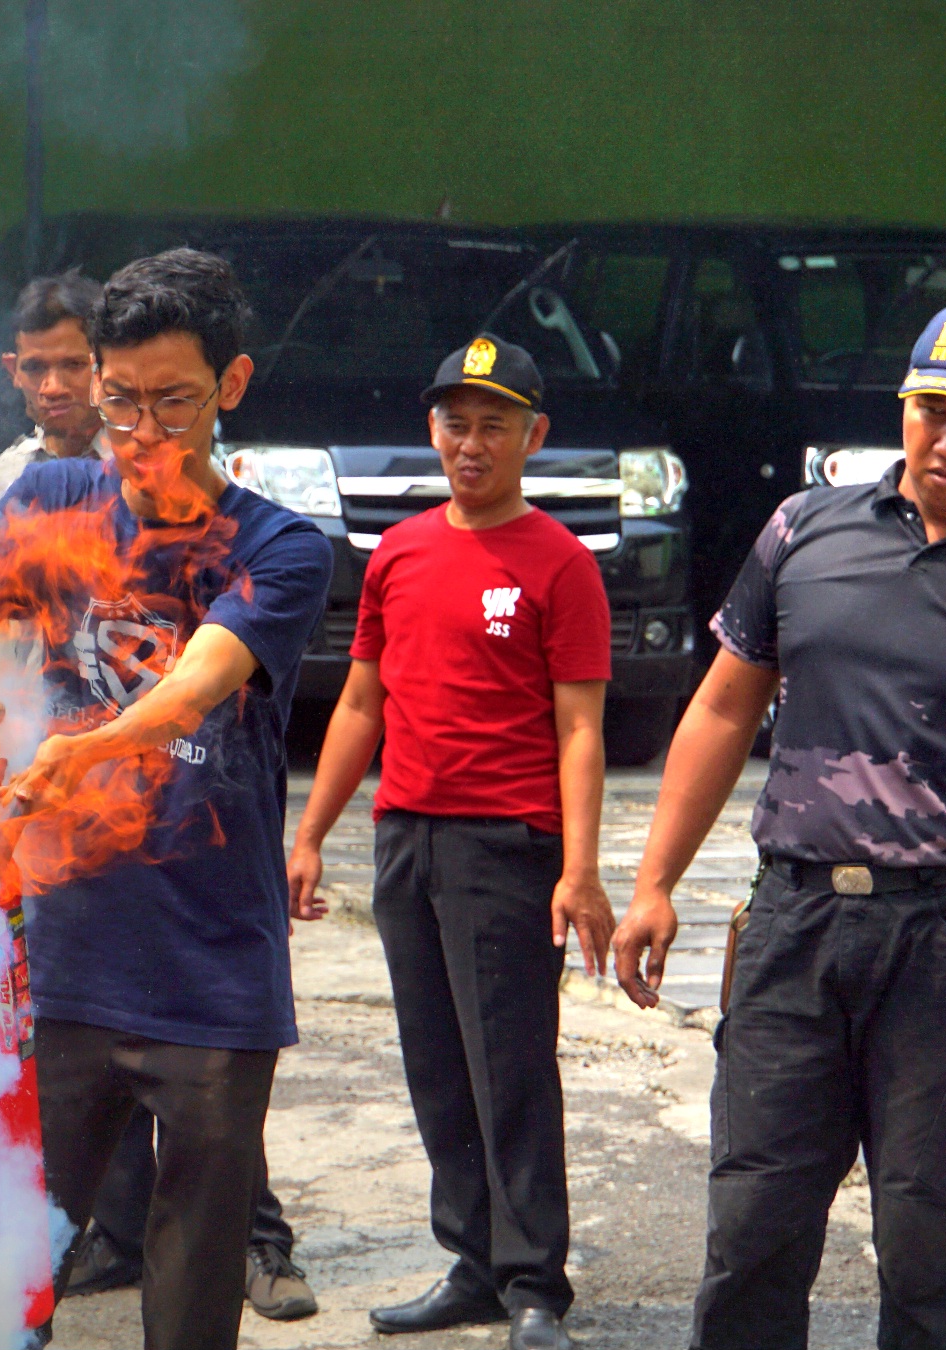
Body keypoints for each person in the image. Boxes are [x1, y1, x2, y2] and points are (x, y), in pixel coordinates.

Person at [612, 301, 946, 1345]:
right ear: (902, 406)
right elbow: (719, 705)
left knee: (932, 1254)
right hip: (794, 929)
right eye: (931, 411)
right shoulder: (805, 529)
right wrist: (654, 880)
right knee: (753, 1232)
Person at [0, 248, 332, 1350]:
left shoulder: (280, 545)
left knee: (191, 1289)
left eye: (174, 401)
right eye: (119, 400)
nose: (142, 430)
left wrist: (87, 746)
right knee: (5, 1266)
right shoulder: (53, 494)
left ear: (231, 387)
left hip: (211, 967)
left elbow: (199, 681)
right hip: (61, 958)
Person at [284, 336, 612, 1349]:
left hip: (503, 847)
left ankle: (533, 1287)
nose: (473, 444)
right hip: (404, 840)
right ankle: (471, 1262)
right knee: (435, 1063)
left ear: (534, 436)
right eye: (456, 423)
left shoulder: (560, 563)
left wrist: (581, 871)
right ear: (433, 430)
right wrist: (309, 836)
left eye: (495, 425)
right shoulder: (398, 550)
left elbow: (581, 727)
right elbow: (360, 703)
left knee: (509, 1066)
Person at [0, 271, 105, 521]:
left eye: (73, 365)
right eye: (35, 368)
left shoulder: (143, 465)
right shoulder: (9, 473)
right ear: (13, 370)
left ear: (108, 366)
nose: (52, 388)